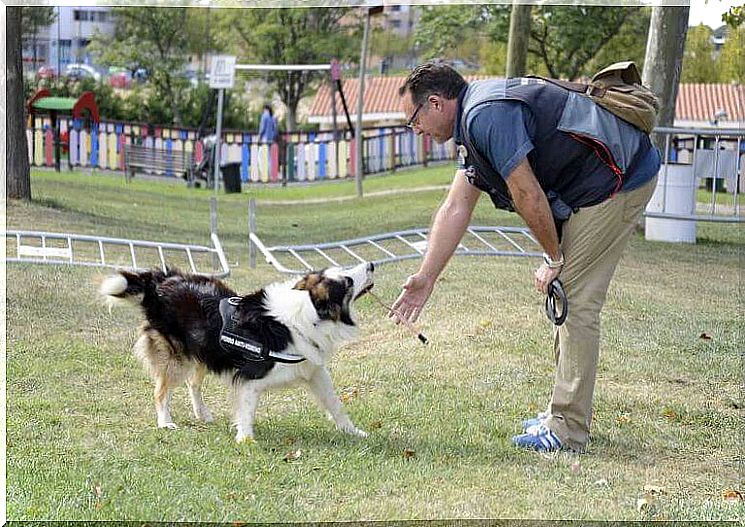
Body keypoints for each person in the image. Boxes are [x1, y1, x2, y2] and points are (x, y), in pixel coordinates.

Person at [393, 61, 660, 453]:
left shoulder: (485, 116)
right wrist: (426, 277)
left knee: (576, 298)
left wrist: (554, 258)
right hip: (598, 184)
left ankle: (567, 429)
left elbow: (527, 194)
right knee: (565, 294)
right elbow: (455, 208)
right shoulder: (473, 121)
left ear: (434, 103)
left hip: (620, 180)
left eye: (412, 119)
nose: (414, 129)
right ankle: (562, 413)